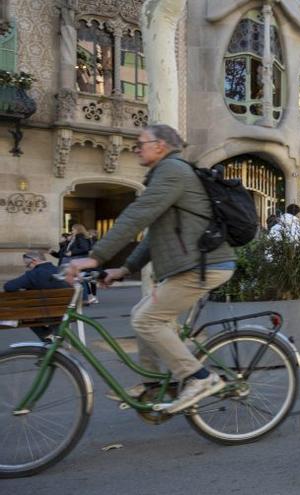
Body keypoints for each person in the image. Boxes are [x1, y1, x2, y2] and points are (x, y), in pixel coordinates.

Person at [65, 124, 237, 414]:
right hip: (191, 266)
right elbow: (156, 233)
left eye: (141, 143)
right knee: (141, 316)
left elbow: (137, 215)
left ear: (160, 146)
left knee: (148, 320)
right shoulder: (168, 174)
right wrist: (124, 268)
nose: (136, 148)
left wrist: (95, 256)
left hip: (204, 265)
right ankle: (155, 385)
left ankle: (200, 378)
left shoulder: (173, 171)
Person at [3, 251, 70, 342]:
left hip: (41, 313)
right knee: (51, 312)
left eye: (28, 265)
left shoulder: (33, 274)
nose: (28, 267)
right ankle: (57, 338)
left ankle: (47, 336)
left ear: (34, 261)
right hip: (65, 311)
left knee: (29, 315)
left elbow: (9, 286)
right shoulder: (60, 271)